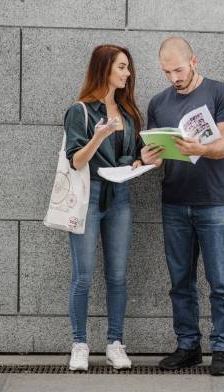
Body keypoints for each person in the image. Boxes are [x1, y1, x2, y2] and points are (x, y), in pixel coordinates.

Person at [140, 37, 224, 376]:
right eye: (167, 72)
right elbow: (156, 156)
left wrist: (202, 147)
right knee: (180, 281)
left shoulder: (220, 94)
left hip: (212, 202)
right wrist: (146, 158)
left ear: (194, 61)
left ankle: (222, 348)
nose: (173, 78)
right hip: (174, 202)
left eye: (178, 70)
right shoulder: (158, 102)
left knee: (219, 280)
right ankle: (188, 346)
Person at [64, 44, 144, 371]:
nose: (127, 73)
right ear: (105, 68)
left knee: (118, 276)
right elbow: (76, 160)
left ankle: (115, 343)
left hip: (120, 197)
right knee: (83, 275)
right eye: (122, 67)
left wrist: (141, 161)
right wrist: (98, 137)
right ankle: (80, 344)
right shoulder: (80, 111)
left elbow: (132, 154)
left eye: (127, 67)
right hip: (88, 197)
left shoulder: (128, 114)